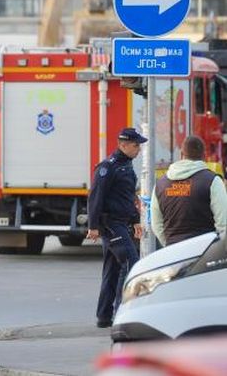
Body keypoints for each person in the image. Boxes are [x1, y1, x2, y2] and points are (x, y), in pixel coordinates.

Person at [86, 127, 146, 329]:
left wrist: (135, 220)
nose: (139, 149)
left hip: (122, 223)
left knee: (111, 271)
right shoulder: (108, 167)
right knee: (131, 262)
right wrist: (93, 226)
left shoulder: (127, 165)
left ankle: (104, 317)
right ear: (124, 145)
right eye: (136, 145)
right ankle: (122, 312)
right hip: (110, 224)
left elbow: (127, 197)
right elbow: (95, 197)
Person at [151, 135, 227, 247]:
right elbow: (223, 223)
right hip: (204, 251)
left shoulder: (160, 184)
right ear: (204, 156)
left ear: (181, 155)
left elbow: (156, 224)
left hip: (173, 252)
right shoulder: (212, 181)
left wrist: (169, 244)